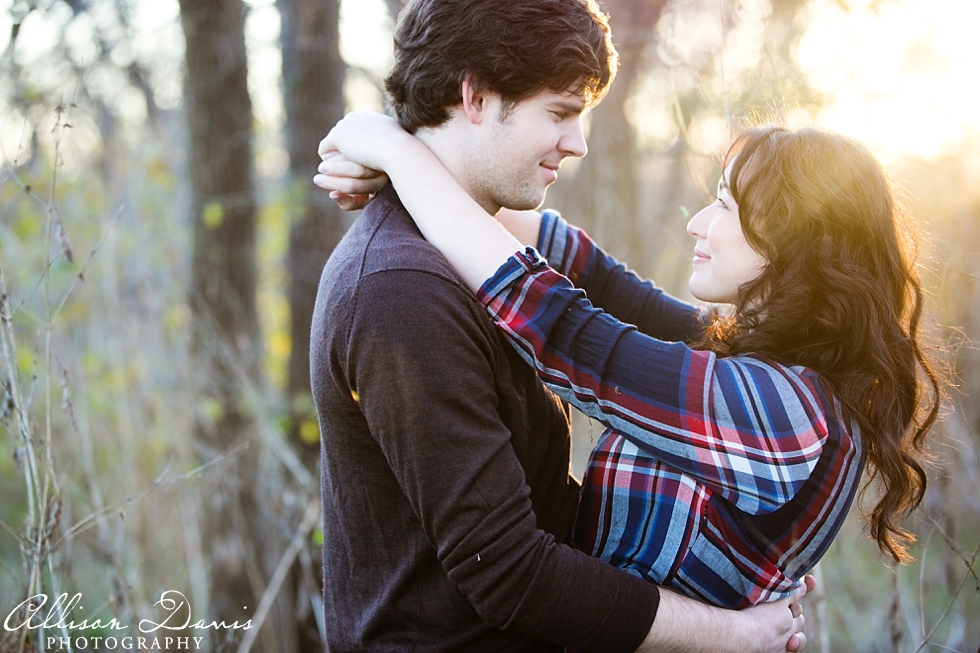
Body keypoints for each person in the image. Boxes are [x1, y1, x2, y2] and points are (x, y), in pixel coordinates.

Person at [310, 0, 810, 650]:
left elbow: (647, 315)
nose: (578, 143)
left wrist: (732, 559)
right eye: (559, 113)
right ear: (476, 96)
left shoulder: (477, 248)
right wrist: (731, 634)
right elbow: (512, 575)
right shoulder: (401, 290)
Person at [316, 115, 940, 611]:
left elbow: (565, 330)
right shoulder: (767, 370)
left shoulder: (777, 410)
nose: (698, 223)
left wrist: (397, 152)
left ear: (793, 239)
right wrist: (417, 171)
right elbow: (599, 277)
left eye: (725, 205)